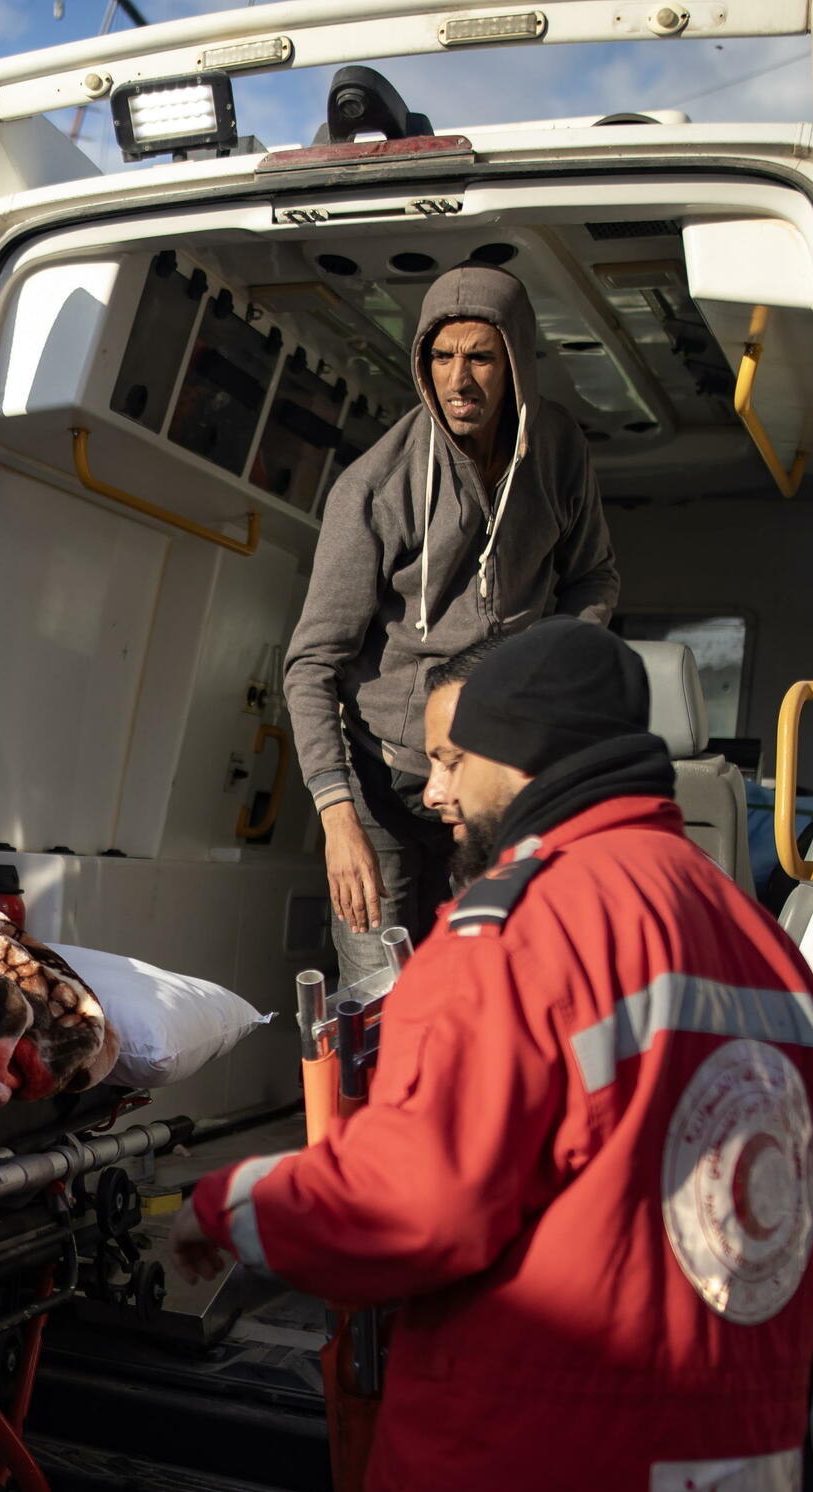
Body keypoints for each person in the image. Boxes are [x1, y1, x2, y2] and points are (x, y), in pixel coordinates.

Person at [175, 617, 813, 1492]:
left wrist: (224, 1211)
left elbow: (412, 1206)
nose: (433, 794)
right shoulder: (767, 956)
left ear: (526, 762)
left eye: (449, 762)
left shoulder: (522, 933)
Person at [283, 263, 621, 988]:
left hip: (501, 779)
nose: (459, 380)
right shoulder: (373, 488)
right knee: (381, 1004)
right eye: (442, 357)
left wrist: (552, 674)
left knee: (501, 988)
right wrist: (338, 820)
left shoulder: (558, 450)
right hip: (387, 784)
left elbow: (594, 576)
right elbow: (310, 665)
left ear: (517, 365)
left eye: (480, 357)